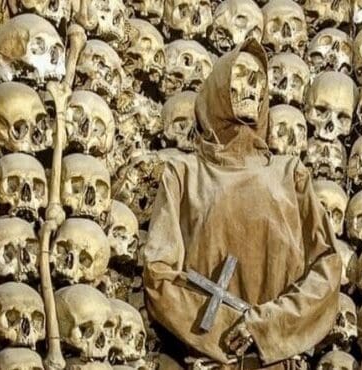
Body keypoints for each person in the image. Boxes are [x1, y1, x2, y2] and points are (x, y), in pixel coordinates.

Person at [143, 40, 341, 370]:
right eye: (241, 76)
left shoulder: (290, 175)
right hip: (211, 360)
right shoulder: (183, 175)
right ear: (220, 85)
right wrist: (227, 328)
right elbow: (159, 275)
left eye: (258, 80)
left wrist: (264, 325)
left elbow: (327, 267)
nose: (252, 89)